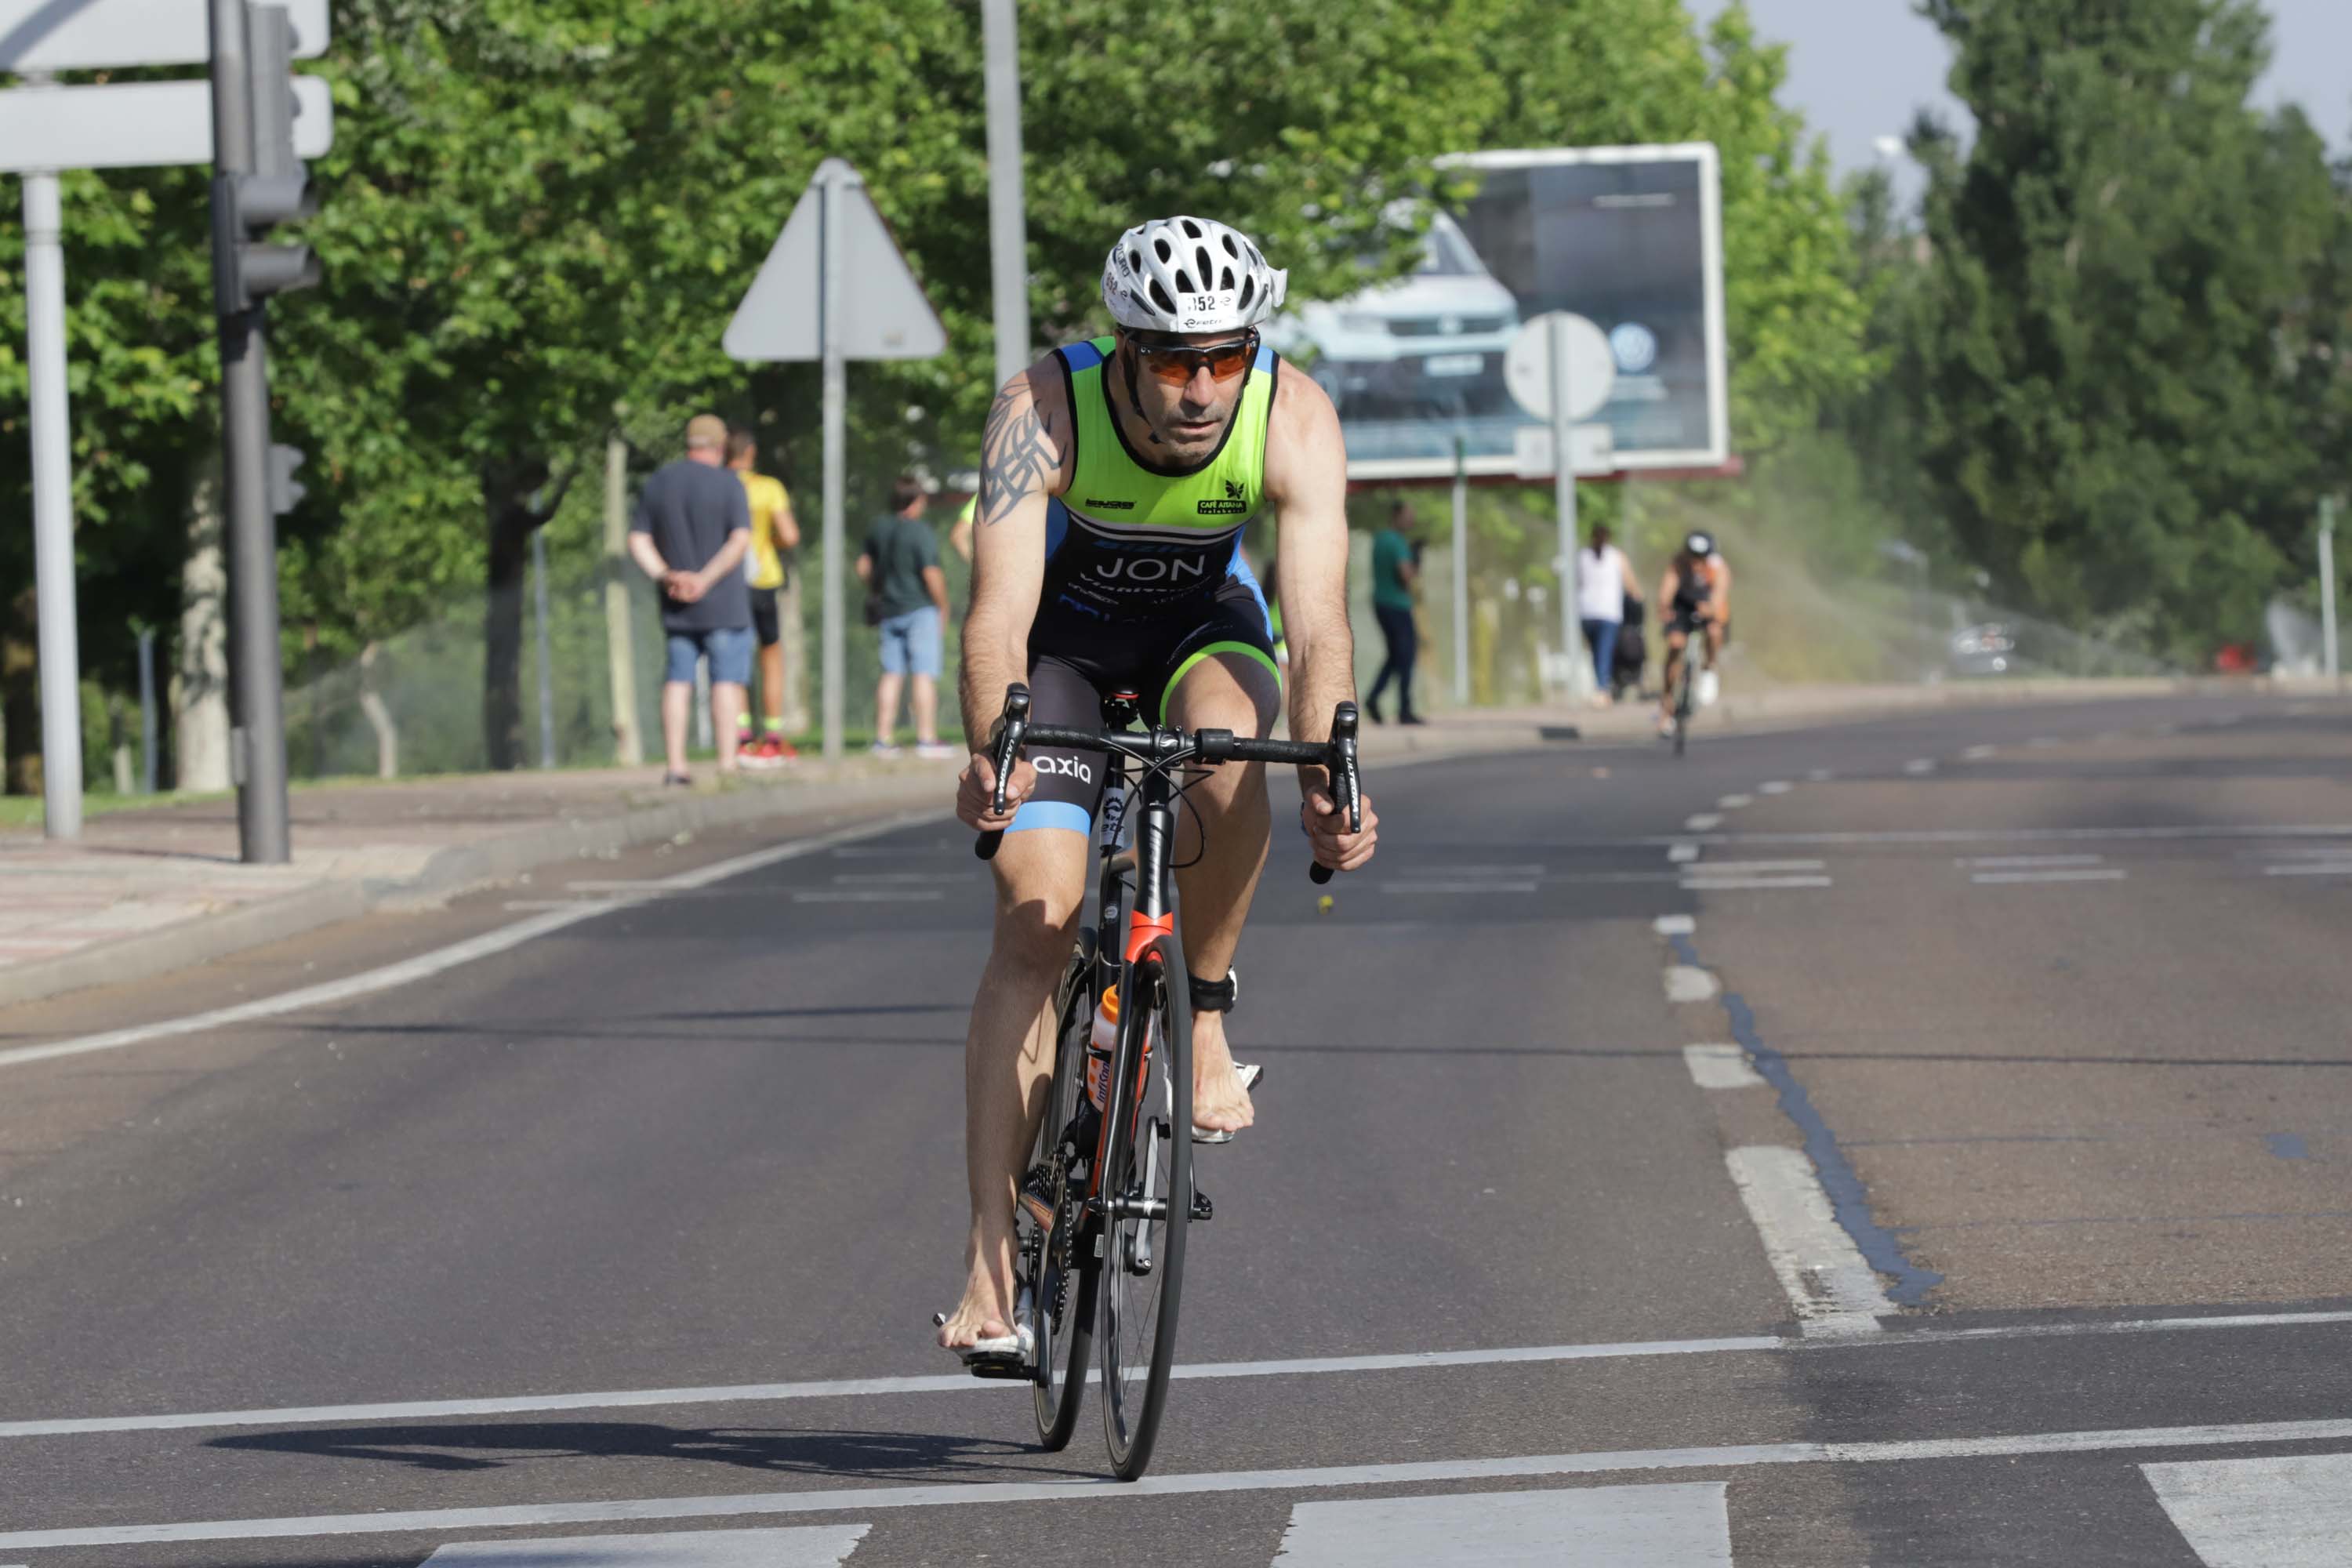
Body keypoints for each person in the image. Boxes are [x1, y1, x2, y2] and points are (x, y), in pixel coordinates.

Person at [938, 214, 1380, 1365]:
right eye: (1174, 360)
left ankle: (1207, 1016)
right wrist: (996, 745)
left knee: (1237, 749)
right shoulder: (1041, 409)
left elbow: (1320, 620)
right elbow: (995, 615)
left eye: (1222, 359)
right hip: (1064, 655)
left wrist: (1335, 759)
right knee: (1036, 921)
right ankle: (991, 1267)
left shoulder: (1296, 414)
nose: (1199, 389)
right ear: (1126, 349)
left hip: (1200, 637)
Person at [628, 414, 753, 784]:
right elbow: (739, 540)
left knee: (678, 681)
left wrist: (668, 575)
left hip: (677, 603)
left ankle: (676, 766)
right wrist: (706, 578)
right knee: (725, 682)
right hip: (724, 603)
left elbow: (638, 540)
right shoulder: (729, 484)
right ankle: (727, 764)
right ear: (720, 446)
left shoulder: (659, 482)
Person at [858, 476, 956, 759]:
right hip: (919, 609)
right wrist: (943, 606)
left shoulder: (879, 528)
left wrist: (878, 588)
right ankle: (926, 739)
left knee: (892, 674)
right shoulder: (920, 532)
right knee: (923, 673)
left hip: (889, 610)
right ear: (915, 502)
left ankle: (883, 739)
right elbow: (932, 574)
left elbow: (863, 566)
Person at [727, 426, 801, 767]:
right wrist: (770, 541)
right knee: (770, 655)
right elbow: (790, 534)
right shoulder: (768, 487)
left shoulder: (718, 485)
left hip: (726, 581)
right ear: (751, 453)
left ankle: (741, 737)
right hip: (763, 579)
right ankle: (772, 735)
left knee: (734, 657)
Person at [1657, 529, 1733, 736]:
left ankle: (1709, 667)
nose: (1696, 562)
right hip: (1682, 606)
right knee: (1675, 645)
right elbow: (1667, 590)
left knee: (1715, 631)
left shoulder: (1718, 567)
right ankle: (1666, 704)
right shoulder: (1678, 564)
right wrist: (1664, 608)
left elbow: (1719, 595)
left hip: (1707, 606)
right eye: (1693, 556)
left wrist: (1709, 609)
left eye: (1701, 558)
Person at [1366, 500, 1423, 724]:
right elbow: (1406, 577)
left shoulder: (1380, 540)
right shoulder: (1398, 543)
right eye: (1409, 515)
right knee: (1406, 656)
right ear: (1397, 515)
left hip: (1381, 603)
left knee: (1395, 656)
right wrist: (1416, 559)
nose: (1412, 520)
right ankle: (1405, 709)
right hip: (1397, 606)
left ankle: (1373, 697)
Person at [1577, 523, 1640, 704]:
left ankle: (1601, 685)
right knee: (1604, 650)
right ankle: (1602, 688)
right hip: (1608, 612)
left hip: (1587, 610)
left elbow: (1578, 582)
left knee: (1597, 651)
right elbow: (1630, 583)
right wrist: (1637, 597)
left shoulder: (1583, 556)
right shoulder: (1617, 556)